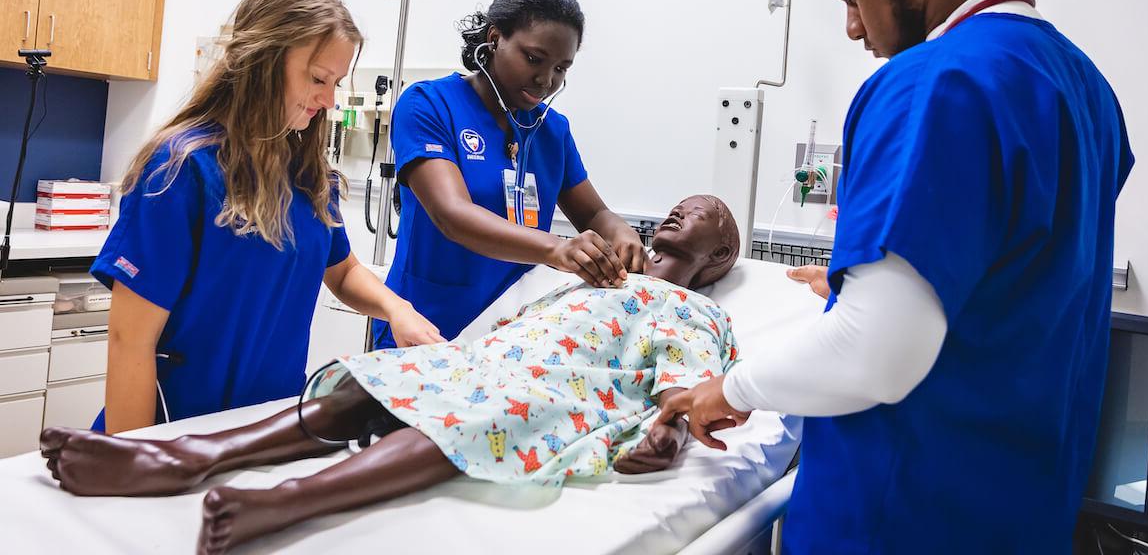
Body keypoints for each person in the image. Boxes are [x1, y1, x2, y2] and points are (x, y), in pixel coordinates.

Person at [658, 0, 1134, 554]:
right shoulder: (1083, 88)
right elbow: (1019, 275)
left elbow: (874, 353)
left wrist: (728, 389)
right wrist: (867, 279)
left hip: (906, 511)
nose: (853, 28)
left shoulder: (932, 82)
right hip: (1020, 507)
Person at [42, 195, 741, 554]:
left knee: (482, 414)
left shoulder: (694, 312)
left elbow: (688, 389)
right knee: (380, 376)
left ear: (719, 257)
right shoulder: (591, 276)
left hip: (557, 394)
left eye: (703, 212)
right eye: (681, 202)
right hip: (485, 361)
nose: (682, 209)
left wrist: (671, 432)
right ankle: (193, 454)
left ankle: (289, 499)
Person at [90, 0, 443, 435]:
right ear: (261, 63)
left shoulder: (309, 176)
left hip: (264, 428)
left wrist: (398, 310)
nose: (329, 99)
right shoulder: (181, 170)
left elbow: (342, 271)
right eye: (318, 79)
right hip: (176, 430)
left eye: (336, 82)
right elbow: (129, 340)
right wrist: (134, 462)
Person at [377, 0, 646, 347]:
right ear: (494, 38)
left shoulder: (552, 131)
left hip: (514, 337)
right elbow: (452, 215)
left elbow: (595, 214)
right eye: (534, 59)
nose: (545, 80)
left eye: (561, 68)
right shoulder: (429, 105)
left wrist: (622, 233)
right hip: (428, 327)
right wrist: (556, 248)